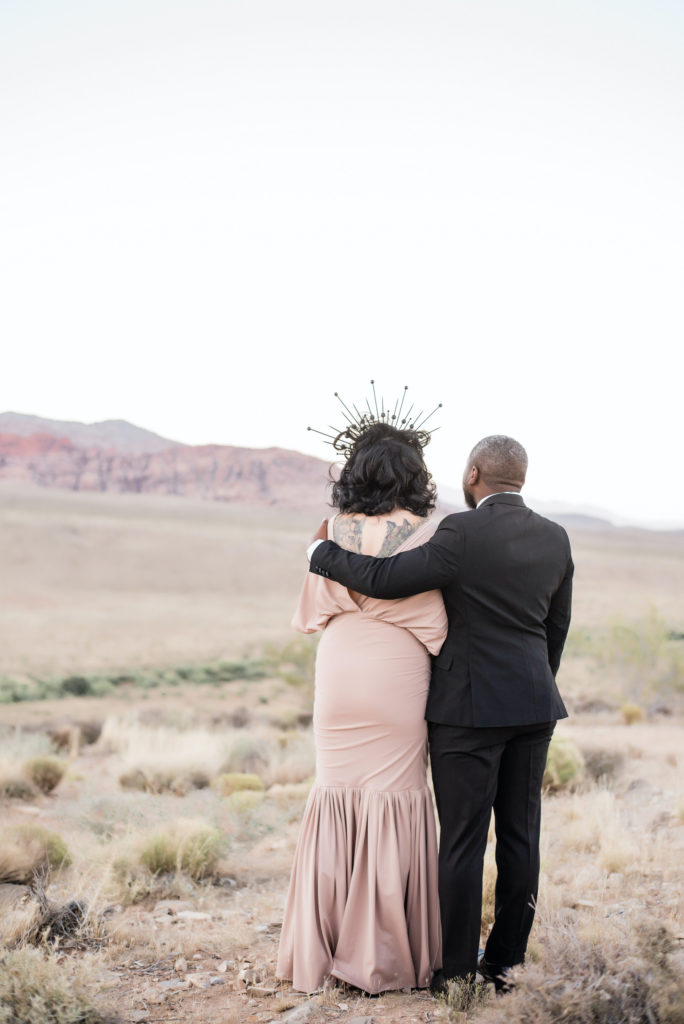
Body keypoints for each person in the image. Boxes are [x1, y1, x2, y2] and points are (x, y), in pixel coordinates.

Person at [308, 435, 573, 993]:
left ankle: (455, 974)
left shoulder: (460, 531)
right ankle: (504, 963)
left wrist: (323, 553)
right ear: (520, 478)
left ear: (475, 473)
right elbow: (555, 630)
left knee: (462, 839)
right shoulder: (556, 537)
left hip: (468, 711)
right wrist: (533, 685)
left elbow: (386, 580)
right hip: (533, 703)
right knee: (522, 835)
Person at [276, 421, 448, 995]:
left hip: (341, 668)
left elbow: (310, 613)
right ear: (414, 477)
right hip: (399, 673)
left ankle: (319, 951)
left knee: (334, 793)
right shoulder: (427, 534)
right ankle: (382, 954)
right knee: (395, 797)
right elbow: (439, 625)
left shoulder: (330, 531)